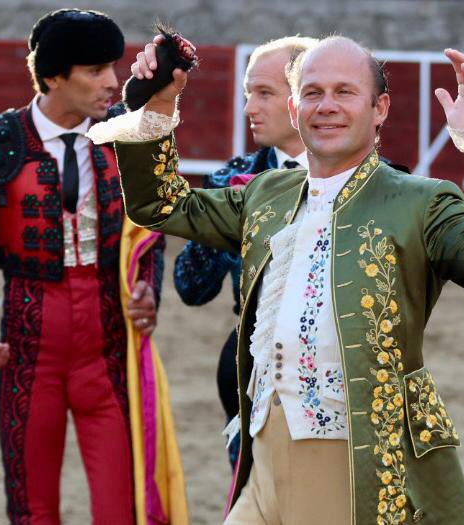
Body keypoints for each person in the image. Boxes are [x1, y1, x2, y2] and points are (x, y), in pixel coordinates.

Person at [101, 34, 464, 524]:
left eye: (344, 92)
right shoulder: (265, 193)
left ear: (380, 108)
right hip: (263, 459)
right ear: (295, 109)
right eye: (312, 93)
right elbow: (159, 204)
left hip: (355, 460)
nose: (326, 106)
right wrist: (157, 104)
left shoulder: (422, 201)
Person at [0, 9, 165, 524]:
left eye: (112, 65)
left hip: (108, 352)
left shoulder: (124, 140)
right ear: (53, 76)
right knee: (32, 508)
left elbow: (145, 245)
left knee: (122, 508)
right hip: (26, 352)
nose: (113, 81)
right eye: (94, 70)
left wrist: (148, 290)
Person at [173, 36, 316, 468]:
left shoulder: (373, 182)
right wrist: (225, 224)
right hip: (250, 371)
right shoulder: (236, 179)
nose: (250, 108)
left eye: (264, 93)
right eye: (248, 94)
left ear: (305, 98)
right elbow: (191, 287)